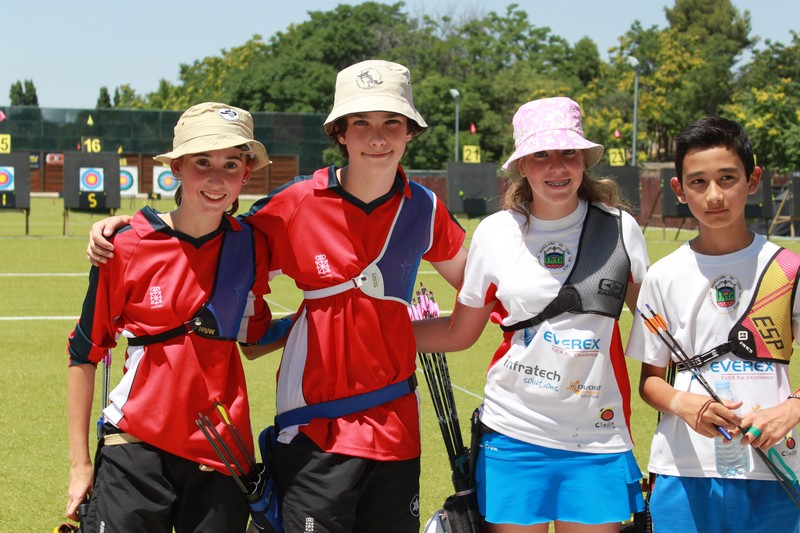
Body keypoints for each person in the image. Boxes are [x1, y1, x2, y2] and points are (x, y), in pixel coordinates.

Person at [86, 60, 468, 533]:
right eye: (361, 122)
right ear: (340, 132)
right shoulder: (292, 205)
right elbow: (209, 233)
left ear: (410, 131)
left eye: (392, 122)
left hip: (397, 429)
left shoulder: (425, 208)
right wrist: (128, 227)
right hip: (312, 430)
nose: (377, 136)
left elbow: (479, 286)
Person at [413, 96, 648, 532]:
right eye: (541, 154)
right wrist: (375, 332)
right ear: (522, 164)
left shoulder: (619, 228)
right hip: (515, 433)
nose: (556, 167)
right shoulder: (496, 233)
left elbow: (655, 328)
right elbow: (461, 333)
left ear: (583, 160)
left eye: (568, 154)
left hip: (598, 436)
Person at [67, 102, 273, 532]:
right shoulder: (123, 245)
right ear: (176, 168)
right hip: (135, 445)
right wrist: (80, 464)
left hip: (222, 451)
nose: (218, 180)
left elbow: (253, 341)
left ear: (246, 173)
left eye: (231, 164)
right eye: (202, 163)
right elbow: (84, 354)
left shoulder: (253, 243)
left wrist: (313, 318)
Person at [626, 116, 800, 533]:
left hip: (774, 467)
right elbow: (651, 381)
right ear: (679, 190)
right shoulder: (663, 276)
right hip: (683, 472)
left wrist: (790, 409)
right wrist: (685, 404)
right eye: (699, 182)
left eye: (727, 178)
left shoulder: (788, 268)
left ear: (753, 179)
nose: (715, 195)